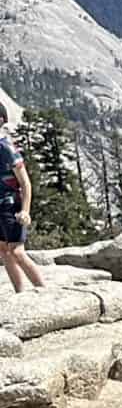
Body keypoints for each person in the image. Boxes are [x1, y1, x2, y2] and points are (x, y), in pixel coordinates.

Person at [0, 107, 47, 294]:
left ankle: (45, 292)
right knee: (3, 251)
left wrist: (25, 210)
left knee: (17, 251)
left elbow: (25, 183)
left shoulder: (6, 148)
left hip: (12, 205)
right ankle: (20, 294)